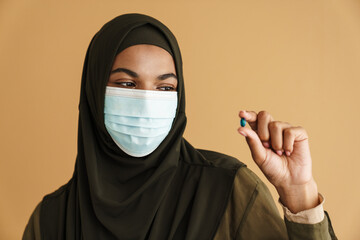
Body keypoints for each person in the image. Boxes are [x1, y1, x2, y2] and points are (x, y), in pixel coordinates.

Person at [23, 13, 337, 240]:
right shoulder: (52, 219)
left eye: (164, 88)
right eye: (127, 83)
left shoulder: (227, 190)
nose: (146, 102)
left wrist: (300, 194)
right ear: (94, 93)